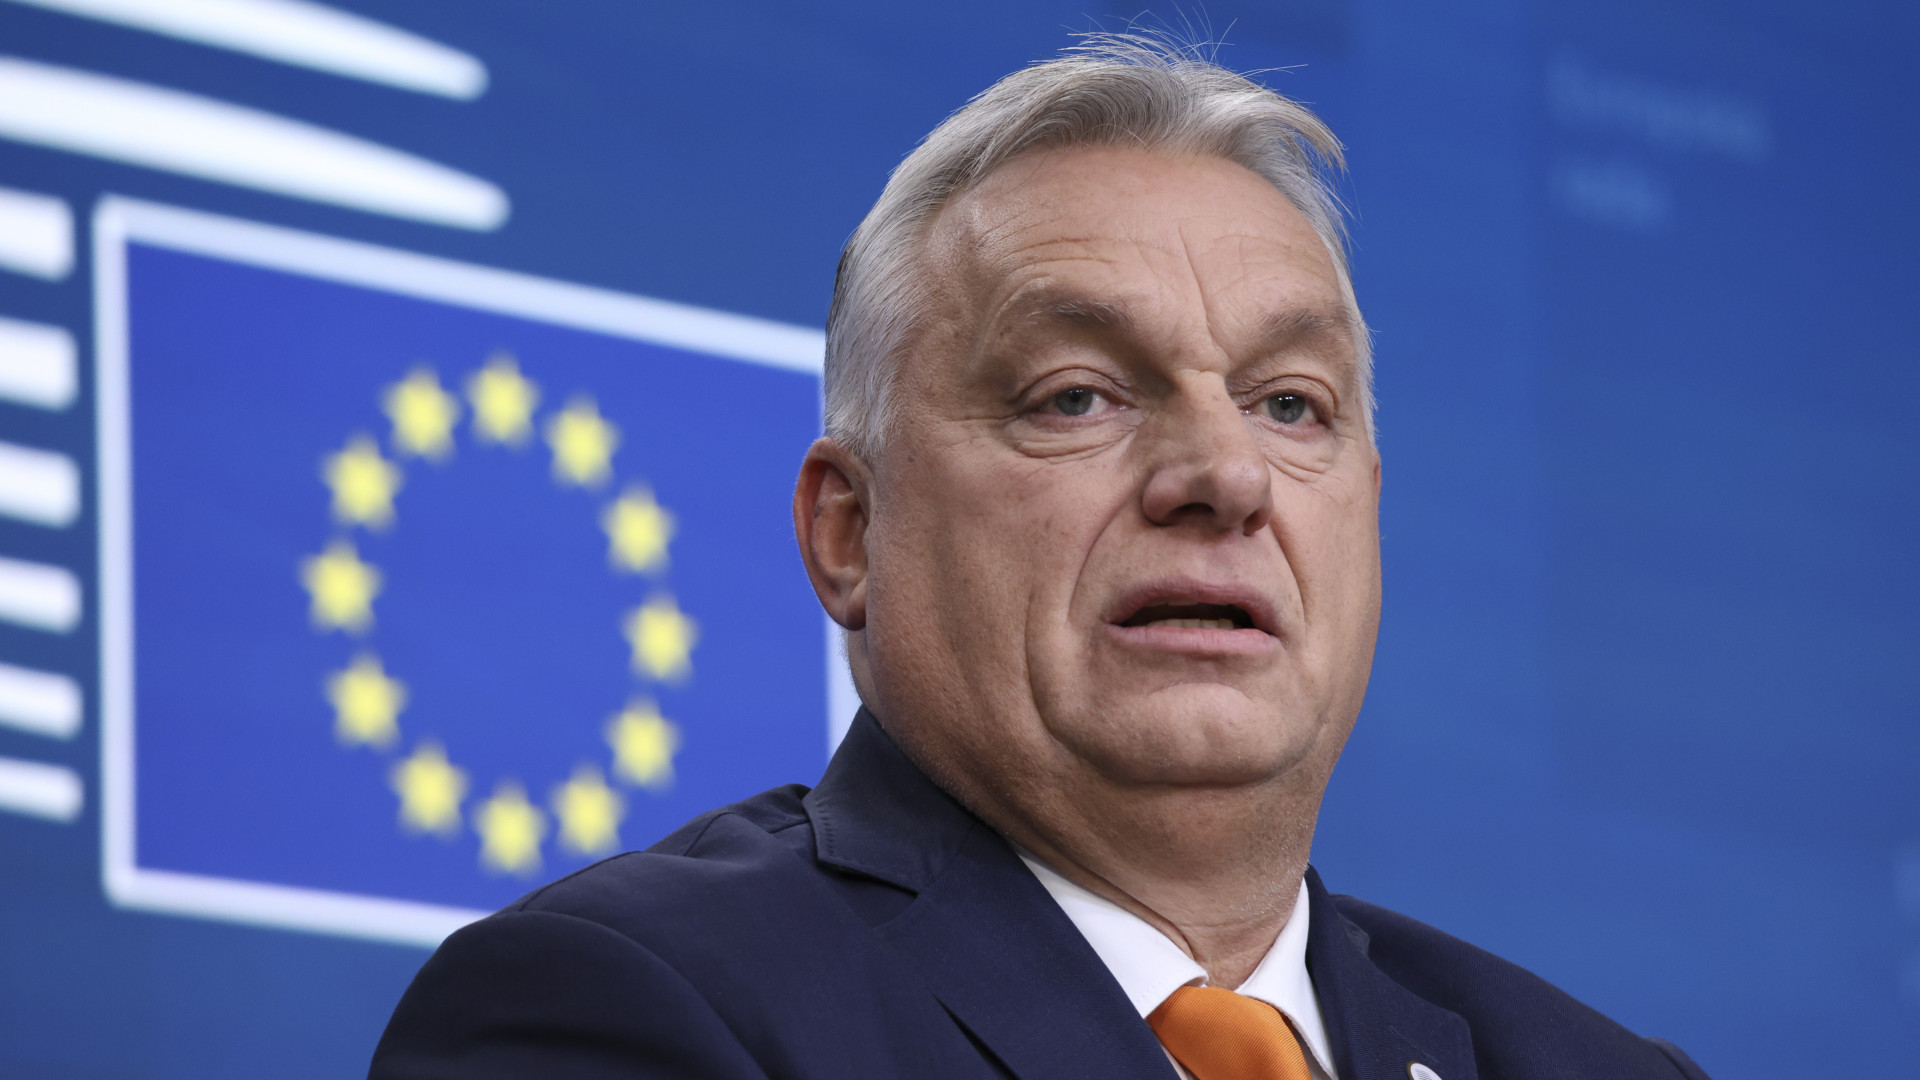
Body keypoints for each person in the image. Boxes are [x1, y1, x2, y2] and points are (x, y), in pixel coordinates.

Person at [370, 35, 1711, 1080]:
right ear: (850, 533)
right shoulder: (631, 1006)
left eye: (1291, 405)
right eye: (1076, 395)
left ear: (1365, 509)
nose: (1226, 476)